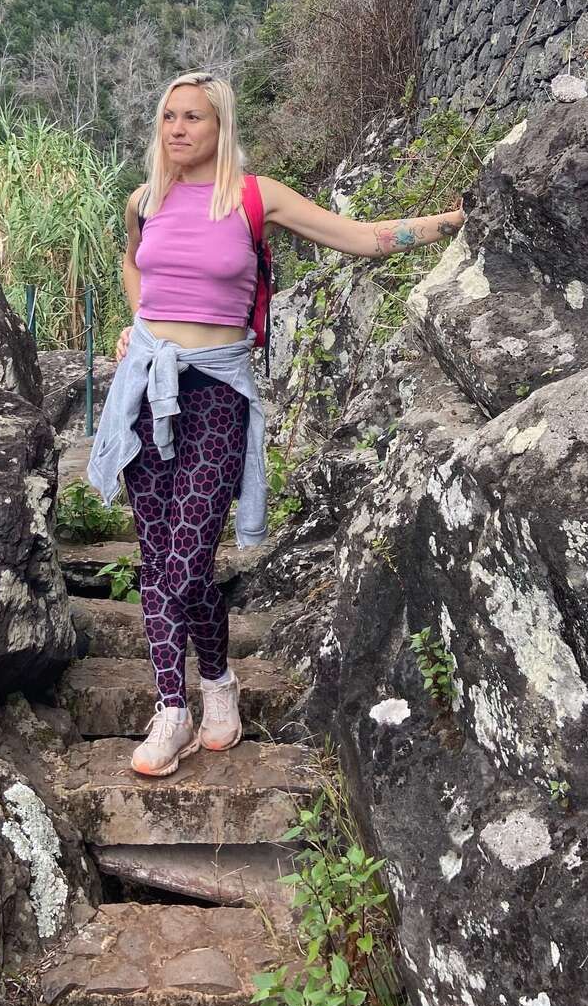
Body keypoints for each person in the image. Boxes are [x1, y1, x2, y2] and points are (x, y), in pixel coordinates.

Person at [86, 71, 465, 779]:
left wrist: (450, 222)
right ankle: (178, 706)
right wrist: (137, 325)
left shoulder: (256, 198)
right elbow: (133, 265)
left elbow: (364, 239)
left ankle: (216, 680)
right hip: (145, 391)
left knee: (187, 558)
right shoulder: (146, 200)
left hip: (216, 395)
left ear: (220, 125)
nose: (177, 128)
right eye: (169, 116)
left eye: (193, 117)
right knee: (159, 558)